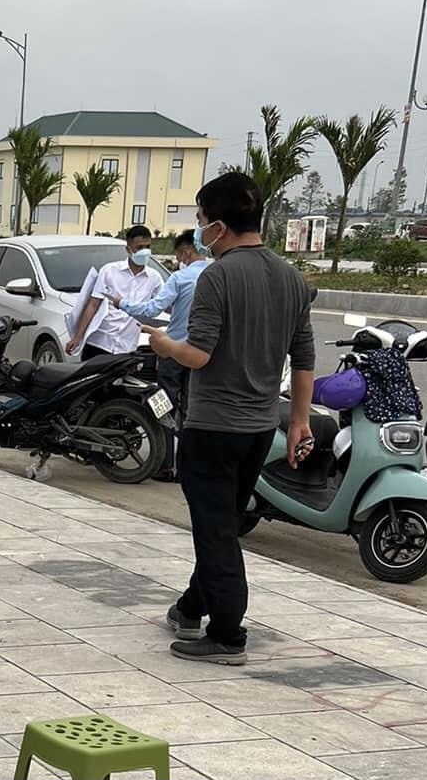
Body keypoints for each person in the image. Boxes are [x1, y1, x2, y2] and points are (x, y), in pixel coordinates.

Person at [142, 173, 315, 664]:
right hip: (260, 428)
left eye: (200, 222)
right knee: (221, 523)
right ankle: (191, 606)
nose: (198, 232)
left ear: (218, 226)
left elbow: (197, 354)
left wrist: (163, 344)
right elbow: (303, 358)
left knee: (216, 531)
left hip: (213, 426)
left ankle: (227, 634)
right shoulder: (291, 277)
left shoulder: (217, 276)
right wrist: (299, 421)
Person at [109, 229, 209, 480]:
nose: (179, 260)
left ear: (185, 253)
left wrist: (122, 303)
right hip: (201, 352)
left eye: (179, 256)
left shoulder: (180, 278)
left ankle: (165, 465)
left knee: (164, 404)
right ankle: (188, 466)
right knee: (190, 410)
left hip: (172, 351)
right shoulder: (215, 274)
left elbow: (153, 308)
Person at [66, 224, 162, 360]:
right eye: (139, 248)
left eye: (147, 247)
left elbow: (163, 305)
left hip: (127, 347)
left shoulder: (154, 278)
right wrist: (77, 336)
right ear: (128, 250)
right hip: (100, 342)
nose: (145, 252)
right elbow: (93, 304)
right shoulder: (109, 271)